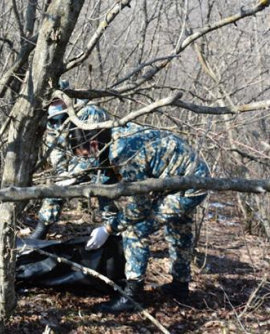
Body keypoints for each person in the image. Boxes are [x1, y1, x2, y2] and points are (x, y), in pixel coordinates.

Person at [67, 119, 209, 313]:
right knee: (178, 229)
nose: (85, 161)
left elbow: (139, 208)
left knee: (134, 229)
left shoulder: (122, 151)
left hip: (190, 183)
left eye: (85, 156)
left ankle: (132, 296)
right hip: (179, 177)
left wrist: (109, 228)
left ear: (93, 145)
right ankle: (180, 286)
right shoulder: (111, 134)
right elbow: (107, 180)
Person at [30, 89, 118, 239]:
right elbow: (57, 151)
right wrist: (61, 174)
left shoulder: (88, 112)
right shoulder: (52, 120)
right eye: (51, 101)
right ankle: (39, 234)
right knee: (56, 190)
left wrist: (71, 177)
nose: (54, 104)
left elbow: (92, 153)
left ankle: (113, 234)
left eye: (57, 100)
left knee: (106, 199)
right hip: (80, 164)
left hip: (106, 164)